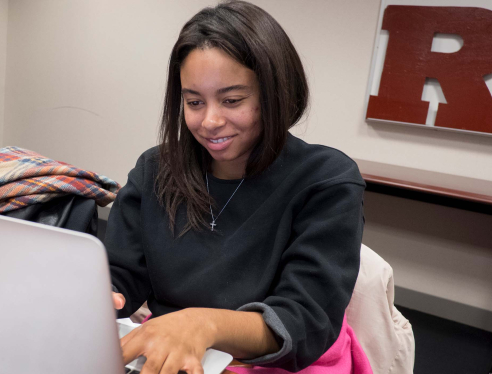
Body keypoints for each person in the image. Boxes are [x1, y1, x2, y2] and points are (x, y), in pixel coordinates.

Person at [105, 1, 367, 373]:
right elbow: (123, 271)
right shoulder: (156, 169)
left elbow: (305, 321)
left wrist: (202, 325)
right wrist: (104, 294)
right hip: (177, 350)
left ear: (274, 93)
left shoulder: (325, 179)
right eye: (194, 102)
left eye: (232, 100)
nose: (210, 120)